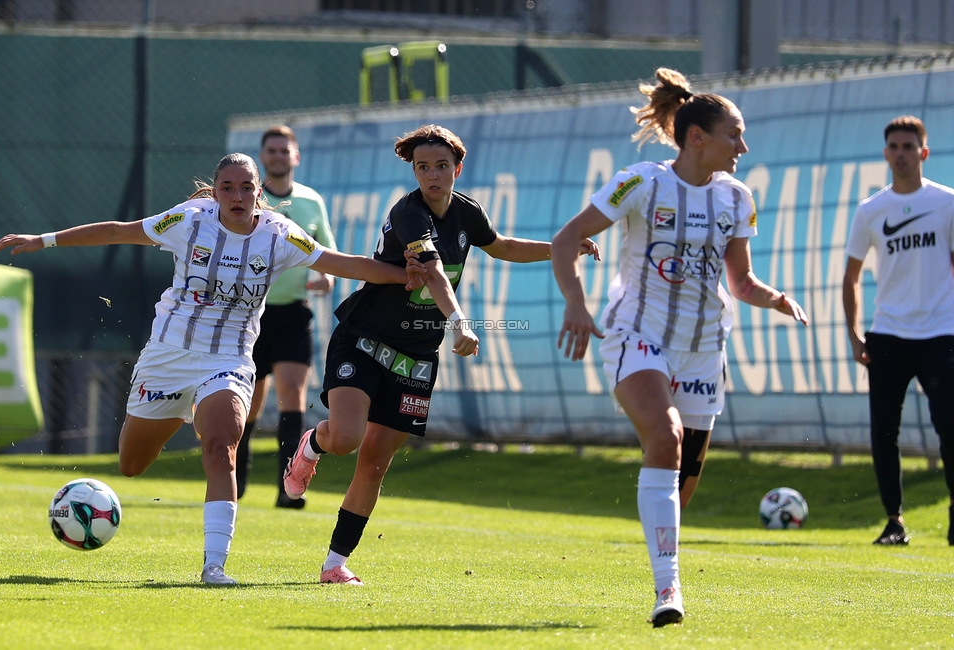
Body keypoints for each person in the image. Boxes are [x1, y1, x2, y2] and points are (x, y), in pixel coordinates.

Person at [0, 153, 426, 586]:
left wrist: (406, 274)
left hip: (228, 360)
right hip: (168, 356)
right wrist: (44, 240)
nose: (237, 197)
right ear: (215, 192)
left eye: (246, 188)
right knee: (131, 464)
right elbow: (119, 231)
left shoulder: (279, 234)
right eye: (227, 188)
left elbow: (344, 263)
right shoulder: (189, 220)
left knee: (221, 448)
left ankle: (214, 566)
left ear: (259, 192)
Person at [282, 123, 600, 586]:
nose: (432, 175)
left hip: (416, 354)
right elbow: (433, 273)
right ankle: (312, 445)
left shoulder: (468, 212)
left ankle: (334, 564)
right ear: (413, 171)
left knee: (375, 461)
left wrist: (561, 247)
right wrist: (461, 322)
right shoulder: (409, 214)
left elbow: (502, 246)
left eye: (441, 166)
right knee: (346, 438)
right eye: (423, 167)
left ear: (458, 169)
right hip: (365, 338)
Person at [551, 68, 808, 627]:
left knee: (680, 487)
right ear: (697, 137)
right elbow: (566, 239)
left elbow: (740, 282)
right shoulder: (640, 183)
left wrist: (776, 299)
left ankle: (660, 566)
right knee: (664, 437)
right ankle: (669, 591)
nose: (743, 147)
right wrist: (576, 302)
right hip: (637, 336)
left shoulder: (737, 198)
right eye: (734, 135)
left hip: (704, 349)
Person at [842, 115, 954, 547]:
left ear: (923, 153)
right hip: (888, 334)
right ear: (885, 153)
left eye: (909, 147)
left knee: (949, 425)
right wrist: (855, 334)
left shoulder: (946, 202)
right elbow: (851, 277)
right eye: (894, 147)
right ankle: (894, 521)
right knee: (884, 432)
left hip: (940, 333)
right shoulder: (871, 210)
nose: (901, 154)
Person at [235, 125, 338, 510]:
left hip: (293, 313)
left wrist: (326, 277)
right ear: (262, 157)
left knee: (293, 394)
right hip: (248, 313)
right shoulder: (249, 199)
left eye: (284, 150)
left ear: (295, 156)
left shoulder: (311, 201)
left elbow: (327, 251)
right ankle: (234, 480)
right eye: (272, 150)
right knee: (248, 402)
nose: (278, 156)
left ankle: (289, 488)